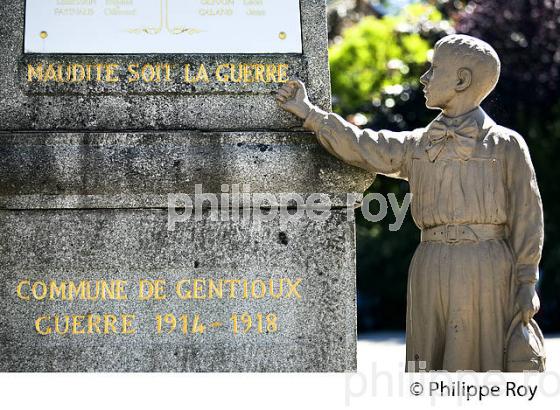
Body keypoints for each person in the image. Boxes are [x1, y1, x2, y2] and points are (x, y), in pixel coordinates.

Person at [275, 34, 544, 372]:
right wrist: (310, 114)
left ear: (461, 80)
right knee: (426, 362)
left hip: (487, 267)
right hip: (429, 264)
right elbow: (364, 146)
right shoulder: (417, 145)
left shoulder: (506, 145)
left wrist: (526, 282)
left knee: (481, 366)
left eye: (434, 69)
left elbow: (527, 218)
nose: (424, 78)